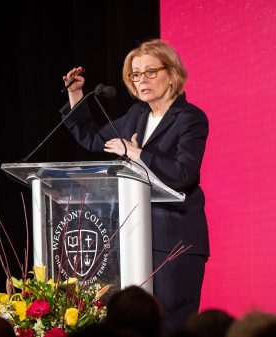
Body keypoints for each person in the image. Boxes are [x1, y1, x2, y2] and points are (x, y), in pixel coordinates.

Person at [60, 38, 210, 335]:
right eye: (135, 74)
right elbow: (92, 139)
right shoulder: (137, 116)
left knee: (171, 325)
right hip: (136, 237)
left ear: (172, 74)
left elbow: (183, 174)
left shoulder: (190, 119)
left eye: (150, 72)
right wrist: (76, 94)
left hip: (175, 240)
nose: (142, 80)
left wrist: (137, 153)